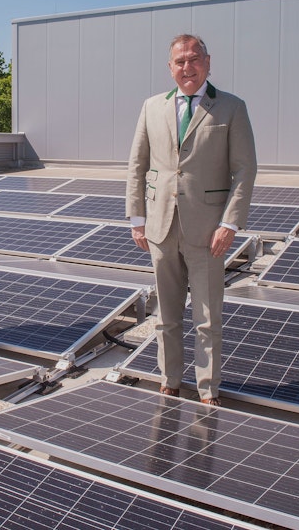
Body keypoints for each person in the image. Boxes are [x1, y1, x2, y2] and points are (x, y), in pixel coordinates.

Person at [127, 34, 257, 405]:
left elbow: (245, 169)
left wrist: (230, 224)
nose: (188, 67)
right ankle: (169, 380)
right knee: (167, 315)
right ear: (170, 68)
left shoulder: (231, 108)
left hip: (208, 231)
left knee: (206, 318)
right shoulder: (152, 106)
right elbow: (137, 164)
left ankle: (207, 388)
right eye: (180, 61)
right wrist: (137, 217)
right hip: (160, 226)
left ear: (208, 61)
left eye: (194, 59)